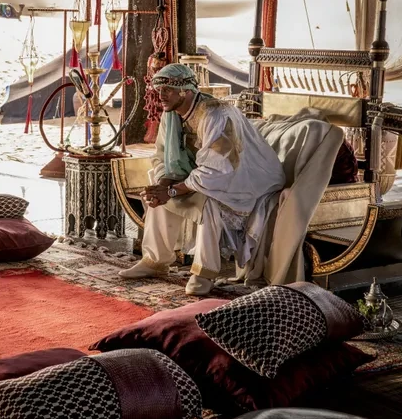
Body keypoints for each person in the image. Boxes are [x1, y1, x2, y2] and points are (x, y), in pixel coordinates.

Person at [119, 63, 286, 296]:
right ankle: (155, 260)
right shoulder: (171, 114)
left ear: (186, 90)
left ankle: (204, 273)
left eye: (168, 89)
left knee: (211, 203)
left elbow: (219, 169)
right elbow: (161, 155)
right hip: (209, 174)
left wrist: (174, 190)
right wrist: (164, 184)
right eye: (160, 90)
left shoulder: (216, 114)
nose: (161, 95)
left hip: (247, 180)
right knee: (157, 191)